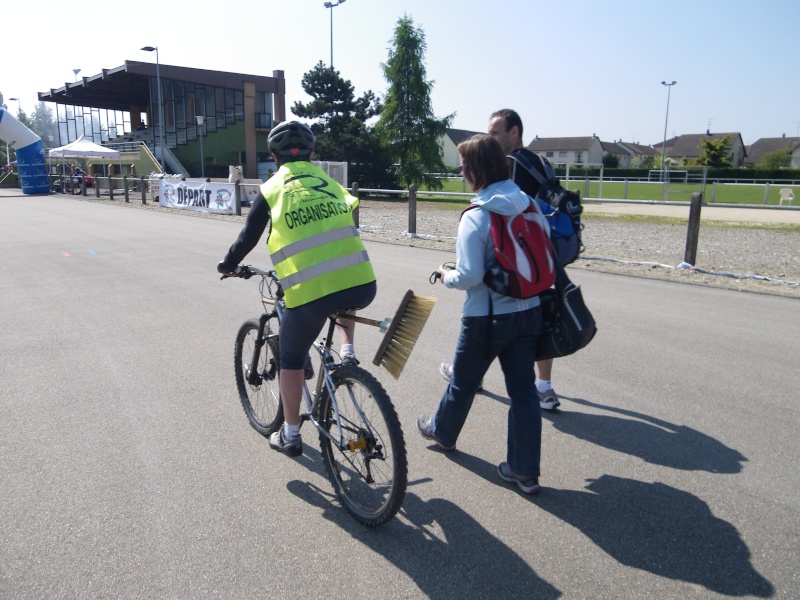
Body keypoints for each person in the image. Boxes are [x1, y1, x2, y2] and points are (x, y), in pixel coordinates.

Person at [217, 121, 377, 458]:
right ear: (311, 153)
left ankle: (290, 434)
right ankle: (347, 353)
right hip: (363, 282)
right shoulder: (330, 183)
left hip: (313, 292)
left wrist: (228, 264)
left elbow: (248, 237)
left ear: (273, 156)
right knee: (342, 293)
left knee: (290, 359)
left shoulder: (273, 188)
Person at [418, 134, 544, 495]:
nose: (460, 173)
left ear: (475, 170)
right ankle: (524, 471)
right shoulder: (528, 204)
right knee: (523, 392)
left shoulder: (476, 215)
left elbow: (470, 275)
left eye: (462, 167)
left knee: (465, 381)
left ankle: (442, 433)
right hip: (530, 310)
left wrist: (446, 275)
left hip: (486, 317)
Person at [439, 108, 561, 411]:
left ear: (513, 132)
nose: (489, 138)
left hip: (508, 274)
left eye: (494, 133)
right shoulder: (542, 163)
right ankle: (544, 386)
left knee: (489, 328)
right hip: (541, 260)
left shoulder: (511, 167)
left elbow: (474, 269)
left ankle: (469, 380)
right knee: (537, 328)